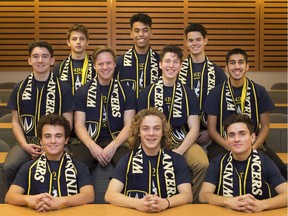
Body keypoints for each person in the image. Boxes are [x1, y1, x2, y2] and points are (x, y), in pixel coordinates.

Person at [138, 44, 208, 203]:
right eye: (167, 61)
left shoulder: (188, 93)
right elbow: (141, 126)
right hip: (153, 141)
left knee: (202, 164)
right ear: (160, 64)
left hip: (183, 141)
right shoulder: (146, 92)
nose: (171, 65)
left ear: (181, 66)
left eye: (175, 62)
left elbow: (195, 127)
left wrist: (180, 150)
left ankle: (192, 204)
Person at [203, 48, 287, 179]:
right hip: (223, 145)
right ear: (226, 67)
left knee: (281, 169)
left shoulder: (259, 91)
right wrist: (231, 147)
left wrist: (252, 147)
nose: (237, 66)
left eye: (241, 62)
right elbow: (212, 130)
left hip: (254, 144)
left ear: (247, 66)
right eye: (232, 63)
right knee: (217, 170)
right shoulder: (215, 93)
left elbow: (265, 127)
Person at [4, 41, 75, 190]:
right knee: (9, 166)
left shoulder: (64, 88)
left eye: (44, 56)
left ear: (52, 60)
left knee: (70, 166)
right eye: (35, 56)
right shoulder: (19, 88)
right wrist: (24, 145)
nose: (40, 60)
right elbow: (16, 122)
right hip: (26, 143)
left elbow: (68, 122)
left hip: (56, 142)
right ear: (30, 60)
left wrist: (50, 145)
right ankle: (11, 205)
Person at [105, 108, 192, 212]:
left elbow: (187, 195)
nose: (151, 133)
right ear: (138, 132)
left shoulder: (177, 160)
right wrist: (136, 203)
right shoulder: (127, 160)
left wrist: (166, 202)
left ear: (163, 132)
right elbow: (109, 195)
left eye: (157, 128)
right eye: (145, 128)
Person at [5, 114, 94, 212]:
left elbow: (89, 195)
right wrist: (29, 200)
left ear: (66, 140)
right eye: (47, 136)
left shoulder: (79, 167)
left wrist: (61, 201)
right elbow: (10, 196)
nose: (53, 141)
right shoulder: (29, 167)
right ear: (40, 141)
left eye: (58, 136)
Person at [199, 114, 287, 213]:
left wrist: (262, 204)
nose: (237, 139)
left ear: (252, 137)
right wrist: (228, 201)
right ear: (226, 139)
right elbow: (204, 195)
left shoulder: (265, 162)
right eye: (231, 135)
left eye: (242, 134)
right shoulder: (217, 162)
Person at [72, 45, 136, 170]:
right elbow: (79, 124)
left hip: (119, 141)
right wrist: (92, 146)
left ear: (114, 64)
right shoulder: (82, 91)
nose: (105, 67)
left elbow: (130, 124)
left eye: (109, 63)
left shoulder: (127, 91)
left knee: (128, 166)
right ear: (94, 65)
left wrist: (114, 146)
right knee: (77, 166)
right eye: (101, 64)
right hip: (90, 140)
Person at [180, 23, 226, 146]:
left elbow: (223, 105)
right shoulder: (177, 70)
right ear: (186, 43)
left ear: (205, 40)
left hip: (210, 135)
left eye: (198, 39)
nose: (194, 43)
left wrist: (210, 131)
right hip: (182, 134)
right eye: (190, 40)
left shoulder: (217, 72)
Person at [115, 13, 161, 98]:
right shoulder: (119, 62)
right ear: (131, 34)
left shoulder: (160, 61)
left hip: (153, 110)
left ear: (151, 33)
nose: (141, 34)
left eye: (145, 30)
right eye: (137, 31)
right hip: (127, 110)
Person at [53, 23, 96, 95]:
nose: (78, 42)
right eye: (74, 39)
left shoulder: (95, 66)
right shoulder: (59, 68)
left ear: (87, 42)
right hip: (67, 105)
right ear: (68, 42)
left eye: (82, 39)